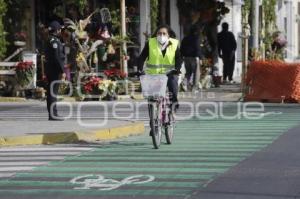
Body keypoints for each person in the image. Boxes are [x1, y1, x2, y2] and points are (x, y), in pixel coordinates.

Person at [137, 24, 183, 111]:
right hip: (153, 74)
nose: (161, 35)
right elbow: (142, 57)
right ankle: (153, 115)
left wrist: (176, 69)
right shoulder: (150, 43)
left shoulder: (174, 44)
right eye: (159, 33)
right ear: (156, 34)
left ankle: (174, 102)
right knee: (151, 95)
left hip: (170, 73)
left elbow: (179, 58)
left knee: (172, 82)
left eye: (164, 33)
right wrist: (139, 69)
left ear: (168, 35)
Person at [45, 21, 65, 121]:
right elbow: (57, 58)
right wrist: (62, 71)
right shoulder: (55, 42)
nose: (61, 30)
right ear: (57, 30)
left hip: (50, 70)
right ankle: (53, 114)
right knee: (53, 93)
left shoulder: (49, 39)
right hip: (54, 71)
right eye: (60, 29)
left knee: (51, 92)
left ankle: (52, 114)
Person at [180, 25, 203, 91]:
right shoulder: (196, 38)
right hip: (194, 58)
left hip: (186, 58)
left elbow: (182, 48)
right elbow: (197, 48)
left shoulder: (185, 38)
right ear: (196, 31)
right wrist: (200, 57)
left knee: (188, 72)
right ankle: (194, 88)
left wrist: (182, 56)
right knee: (196, 73)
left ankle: (184, 83)